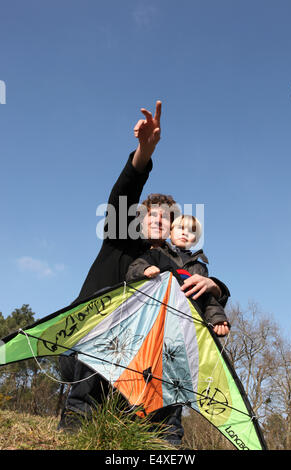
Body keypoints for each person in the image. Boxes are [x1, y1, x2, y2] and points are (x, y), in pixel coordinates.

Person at [58, 101, 230, 444]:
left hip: (141, 375)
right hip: (88, 355)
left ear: (170, 228)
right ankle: (76, 426)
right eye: (151, 214)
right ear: (137, 219)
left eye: (165, 218)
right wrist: (143, 152)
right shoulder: (118, 242)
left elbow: (199, 291)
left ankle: (162, 437)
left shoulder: (172, 263)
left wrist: (216, 286)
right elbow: (122, 196)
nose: (157, 220)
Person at [126, 214, 230, 337]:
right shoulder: (157, 253)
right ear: (170, 233)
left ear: (195, 240)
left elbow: (207, 298)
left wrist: (217, 318)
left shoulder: (200, 267)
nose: (185, 233)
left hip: (187, 324)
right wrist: (145, 269)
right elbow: (134, 268)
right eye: (180, 228)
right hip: (156, 316)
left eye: (191, 231)